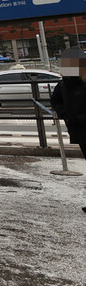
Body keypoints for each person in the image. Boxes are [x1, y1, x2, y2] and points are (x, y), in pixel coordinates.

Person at [49, 47, 86, 214]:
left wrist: (74, 117)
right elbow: (55, 100)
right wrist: (66, 114)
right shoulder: (64, 84)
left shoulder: (73, 82)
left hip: (78, 126)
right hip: (79, 129)